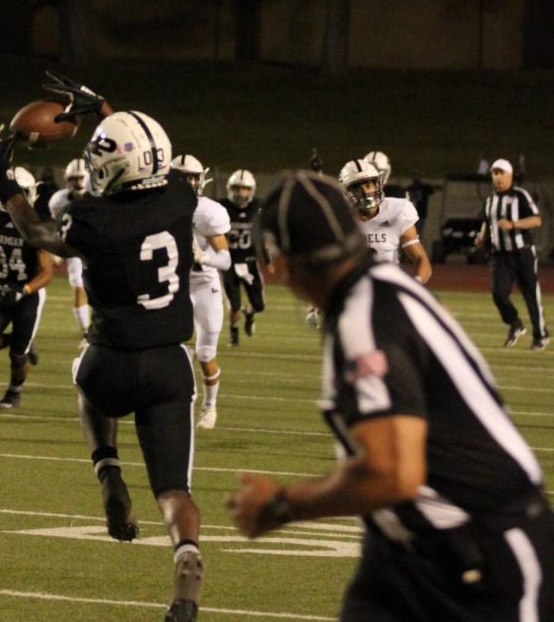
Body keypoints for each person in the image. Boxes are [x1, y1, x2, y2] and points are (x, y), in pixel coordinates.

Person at [227, 170, 553, 622]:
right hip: (412, 547)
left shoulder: (365, 312)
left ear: (281, 261)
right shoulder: (379, 289)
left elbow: (390, 471)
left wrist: (282, 505)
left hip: (479, 549)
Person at [0, 70, 204, 622]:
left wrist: (0, 172)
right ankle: (186, 551)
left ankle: (108, 469)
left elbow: (36, 233)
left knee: (86, 381)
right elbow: (136, 146)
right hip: (171, 363)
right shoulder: (182, 195)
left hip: (112, 358)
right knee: (174, 488)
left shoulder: (93, 217)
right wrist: (101, 106)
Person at [0, 166, 53, 409]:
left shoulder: (36, 223)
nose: (16, 201)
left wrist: (23, 290)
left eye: (22, 193)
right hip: (1, 291)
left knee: (17, 356)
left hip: (28, 293)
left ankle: (14, 393)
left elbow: (47, 273)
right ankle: (23, 342)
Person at [171, 154, 231, 430]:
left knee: (206, 354)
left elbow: (226, 260)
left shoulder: (207, 212)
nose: (185, 183)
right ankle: (179, 403)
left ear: (200, 180)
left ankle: (210, 406)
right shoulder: (158, 207)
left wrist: (204, 258)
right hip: (175, 284)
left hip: (205, 283)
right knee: (172, 349)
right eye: (180, 177)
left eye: (190, 177)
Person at [475, 158, 549, 350]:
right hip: (500, 256)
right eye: (495, 173)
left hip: (522, 253)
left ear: (509, 176)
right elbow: (487, 221)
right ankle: (515, 323)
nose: (498, 177)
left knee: (531, 295)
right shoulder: (490, 199)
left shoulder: (520, 195)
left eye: (501, 173)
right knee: (498, 293)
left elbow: (536, 220)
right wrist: (481, 237)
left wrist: (514, 224)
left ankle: (540, 335)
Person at [339, 159, 432, 285]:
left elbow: (420, 258)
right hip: (352, 290)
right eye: (357, 188)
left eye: (368, 185)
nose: (366, 192)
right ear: (346, 193)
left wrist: (415, 284)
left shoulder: (398, 211)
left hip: (388, 288)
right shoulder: (337, 219)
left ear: (377, 185)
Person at [219, 169, 272, 345]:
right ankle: (234, 334)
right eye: (237, 188)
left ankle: (249, 313)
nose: (241, 193)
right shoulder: (222, 208)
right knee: (233, 304)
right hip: (229, 263)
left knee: (259, 306)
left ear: (252, 190)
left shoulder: (257, 208)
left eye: (245, 189)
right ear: (230, 188)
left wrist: (268, 260)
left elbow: (262, 238)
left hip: (250, 264)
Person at [46, 158, 93, 349]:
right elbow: (56, 227)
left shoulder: (99, 196)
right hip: (75, 247)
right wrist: (56, 250)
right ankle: (87, 332)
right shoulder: (59, 200)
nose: (78, 183)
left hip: (99, 246)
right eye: (74, 179)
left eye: (81, 178)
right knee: (79, 288)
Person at [405, 169, 438, 237]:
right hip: (412, 213)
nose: (416, 177)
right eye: (415, 176)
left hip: (420, 213)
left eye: (418, 176)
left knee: (418, 231)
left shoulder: (424, 187)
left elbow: (432, 190)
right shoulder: (410, 188)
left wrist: (436, 188)